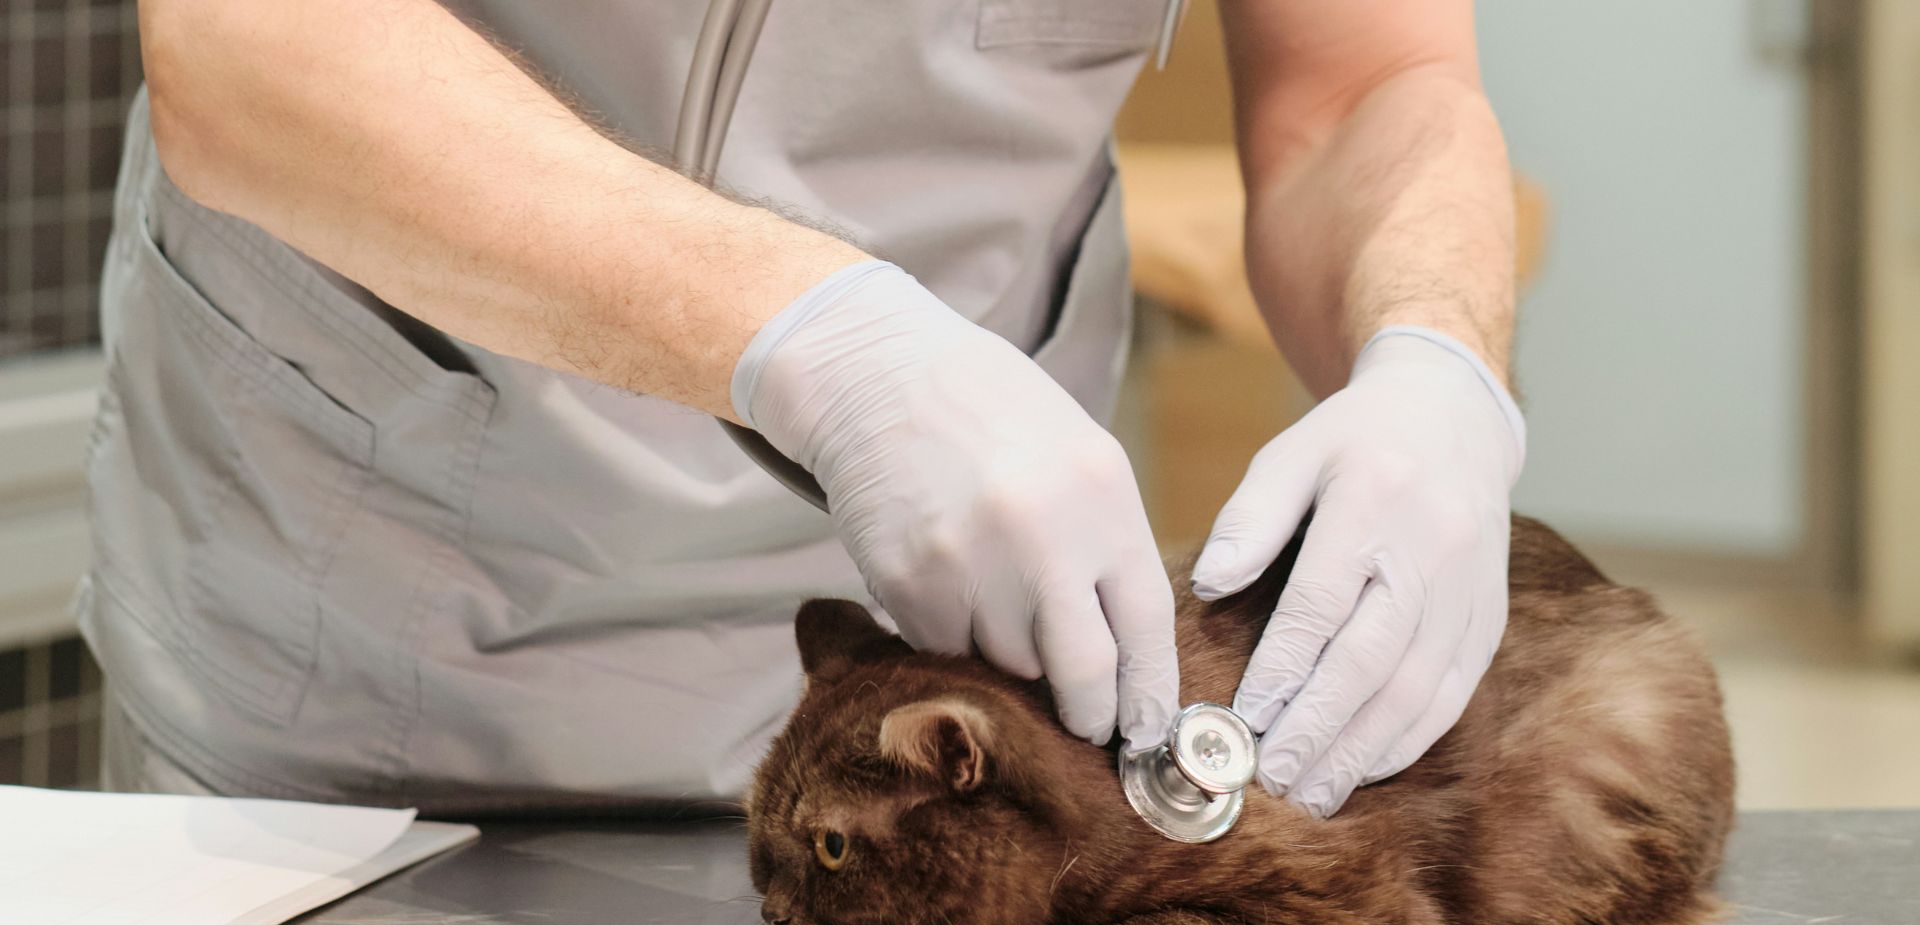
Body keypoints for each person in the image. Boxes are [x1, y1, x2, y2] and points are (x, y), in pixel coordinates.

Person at [88, 0, 1524, 819]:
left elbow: (1365, 82)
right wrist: (819, 337)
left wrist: (1434, 356)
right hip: (339, 626)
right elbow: (250, 44)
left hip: (940, 677)